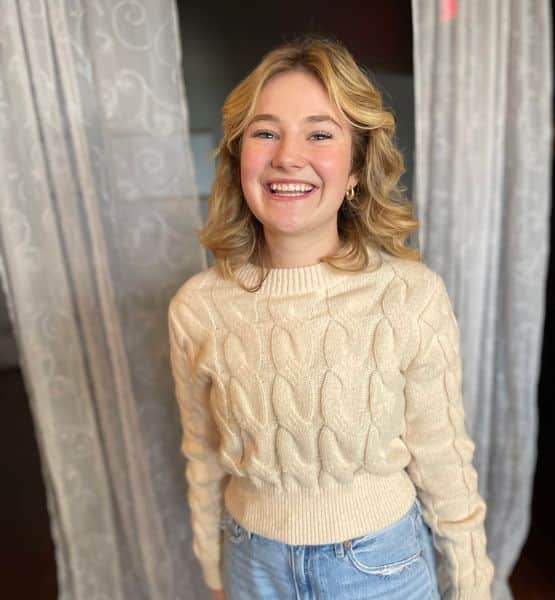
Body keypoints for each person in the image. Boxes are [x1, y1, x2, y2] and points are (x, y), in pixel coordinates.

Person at [168, 34, 495, 600]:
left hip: (381, 568)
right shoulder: (197, 309)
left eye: (319, 134)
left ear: (355, 170)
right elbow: (201, 453)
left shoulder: (411, 296)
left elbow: (443, 457)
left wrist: (472, 587)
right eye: (265, 132)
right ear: (238, 159)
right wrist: (214, 573)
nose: (287, 156)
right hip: (251, 566)